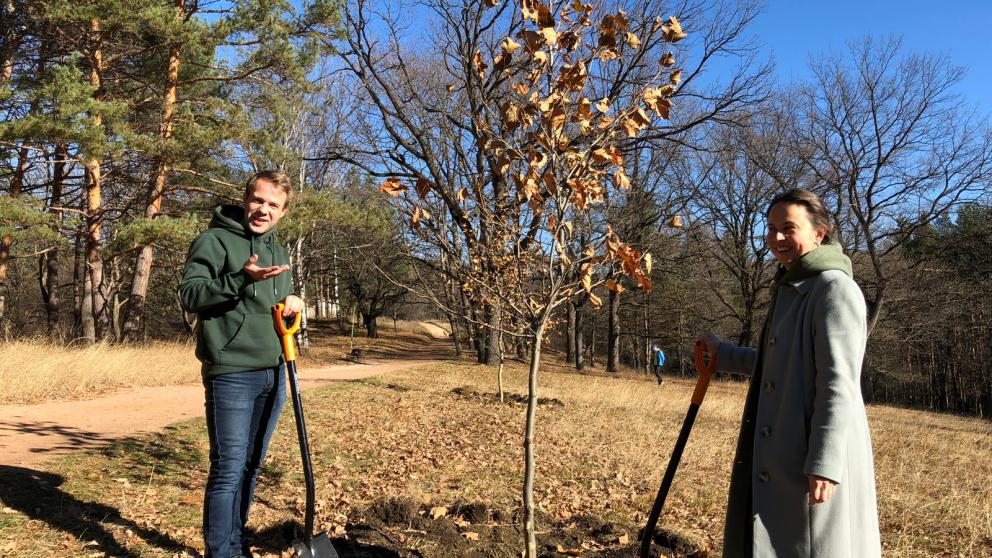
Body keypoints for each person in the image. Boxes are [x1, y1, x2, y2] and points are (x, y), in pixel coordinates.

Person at [698, 189, 880, 557]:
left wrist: (824, 463)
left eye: (789, 228)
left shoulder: (834, 289)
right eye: (771, 228)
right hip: (783, 447)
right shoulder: (793, 286)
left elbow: (838, 383)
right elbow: (783, 362)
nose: (777, 237)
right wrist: (723, 355)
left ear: (819, 233)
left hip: (811, 454)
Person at [180, 170, 305, 558]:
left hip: (275, 370)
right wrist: (239, 279)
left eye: (273, 205)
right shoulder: (214, 240)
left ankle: (236, 542)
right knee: (228, 469)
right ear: (245, 199)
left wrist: (293, 302)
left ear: (283, 212)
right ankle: (221, 553)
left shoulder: (279, 251)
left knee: (252, 465)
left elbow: (275, 306)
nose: (263, 210)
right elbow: (190, 294)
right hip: (232, 372)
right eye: (258, 200)